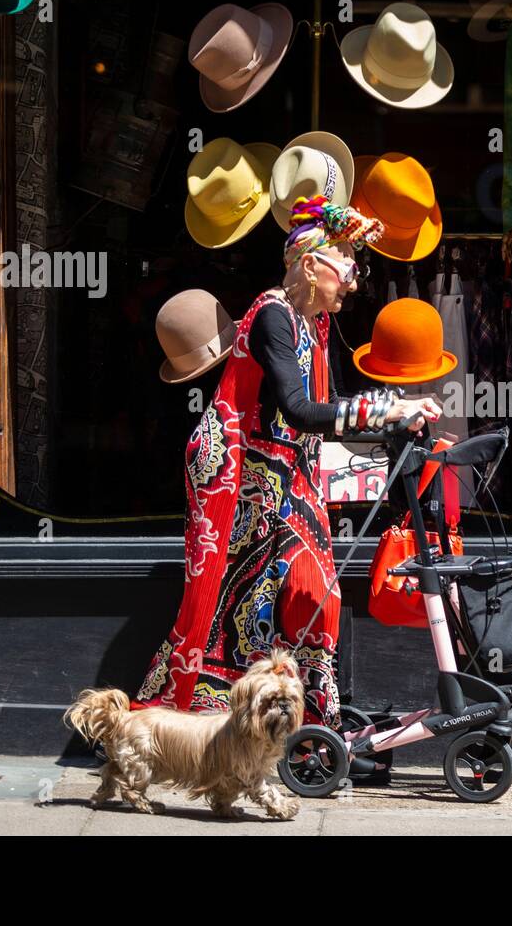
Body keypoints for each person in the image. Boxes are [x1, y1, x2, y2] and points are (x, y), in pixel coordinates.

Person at [132, 195, 442, 729]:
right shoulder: (273, 315)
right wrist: (387, 408)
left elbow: (323, 407)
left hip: (285, 473)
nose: (353, 278)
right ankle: (183, 723)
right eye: (347, 263)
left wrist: (392, 417)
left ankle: (306, 721)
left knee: (312, 591)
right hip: (246, 477)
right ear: (309, 264)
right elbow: (299, 410)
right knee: (242, 607)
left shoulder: (313, 325)